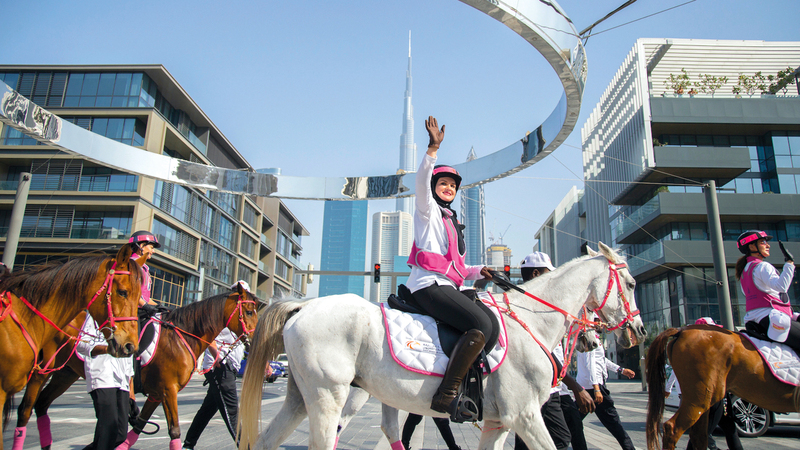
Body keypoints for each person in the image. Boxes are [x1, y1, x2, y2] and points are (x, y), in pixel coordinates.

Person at [406, 116, 494, 418]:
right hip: (427, 286)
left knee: (491, 328)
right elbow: (421, 181)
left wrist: (479, 270)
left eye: (452, 185)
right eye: (442, 183)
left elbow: (458, 267)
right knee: (480, 325)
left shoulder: (452, 222)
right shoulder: (427, 210)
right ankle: (446, 395)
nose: (448, 187)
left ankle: (470, 389)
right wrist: (433, 149)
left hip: (448, 285)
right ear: (434, 188)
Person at [514, 252, 594, 450]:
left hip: (552, 387)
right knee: (559, 438)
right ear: (535, 274)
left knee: (529, 440)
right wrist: (576, 387)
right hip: (541, 387)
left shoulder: (542, 307)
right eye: (547, 273)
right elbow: (545, 353)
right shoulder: (530, 309)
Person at [182, 281, 249, 450]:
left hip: (230, 365)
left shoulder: (239, 313)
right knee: (231, 409)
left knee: (207, 409)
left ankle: (188, 445)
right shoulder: (219, 311)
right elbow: (206, 334)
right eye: (237, 293)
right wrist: (215, 355)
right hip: (218, 365)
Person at [665, 318, 742, 450]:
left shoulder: (695, 354)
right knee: (703, 432)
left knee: (726, 428)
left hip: (711, 395)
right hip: (713, 396)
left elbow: (674, 372)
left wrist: (667, 389)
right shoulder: (706, 353)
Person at [735, 230, 800, 355]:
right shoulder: (763, 266)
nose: (768, 245)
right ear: (752, 246)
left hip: (753, 320)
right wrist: (789, 264)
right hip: (771, 318)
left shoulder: (744, 272)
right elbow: (781, 287)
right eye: (763, 242)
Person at [576, 316, 636, 450]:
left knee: (573, 422)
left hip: (588, 387)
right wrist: (597, 388)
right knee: (615, 423)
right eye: (599, 320)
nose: (603, 324)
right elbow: (590, 363)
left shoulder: (593, 337)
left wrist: (620, 369)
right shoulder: (588, 337)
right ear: (593, 321)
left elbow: (601, 360)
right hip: (594, 388)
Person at [76, 312, 134, 450]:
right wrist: (106, 350)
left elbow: (129, 353)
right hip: (102, 374)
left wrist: (131, 389)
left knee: (120, 433)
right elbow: (81, 344)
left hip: (122, 380)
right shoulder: (96, 314)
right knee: (109, 429)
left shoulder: (128, 317)